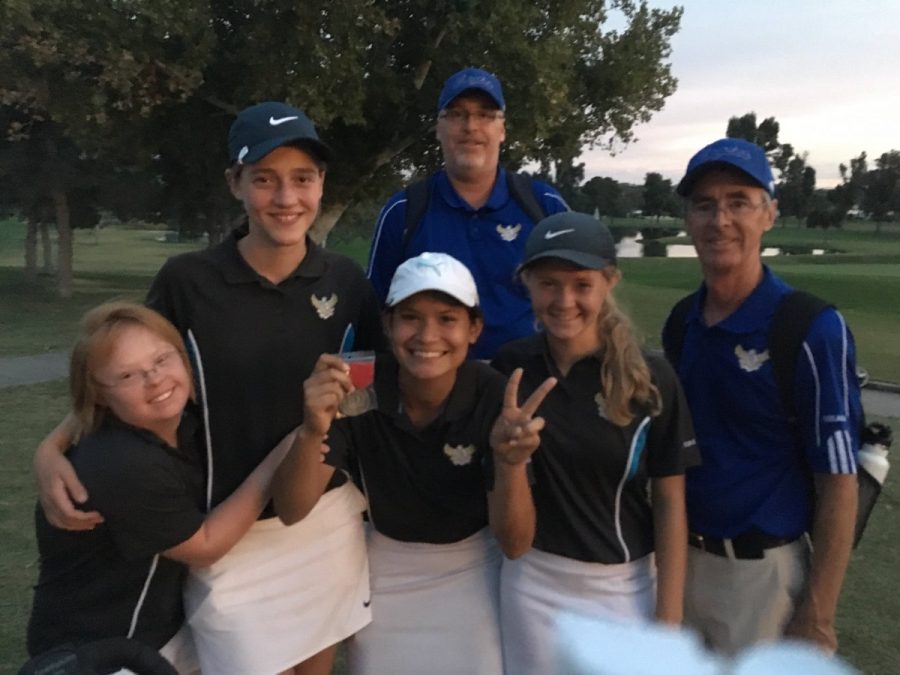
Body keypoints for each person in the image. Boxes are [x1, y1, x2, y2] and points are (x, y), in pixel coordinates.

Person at [33, 102, 386, 675]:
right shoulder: (187, 280)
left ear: (321, 184)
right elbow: (121, 371)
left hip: (322, 519)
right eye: (264, 180)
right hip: (226, 527)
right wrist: (51, 447)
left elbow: (363, 393)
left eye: (303, 179)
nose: (286, 198)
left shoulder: (346, 282)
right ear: (235, 184)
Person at [272, 252, 556, 675]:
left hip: (473, 569)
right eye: (410, 317)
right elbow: (292, 508)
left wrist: (511, 464)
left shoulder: (494, 396)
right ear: (387, 325)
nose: (427, 335)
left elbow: (515, 544)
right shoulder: (359, 382)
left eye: (447, 318)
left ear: (474, 328)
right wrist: (312, 429)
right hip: (385, 569)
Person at [662, 138, 862, 655]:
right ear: (688, 219)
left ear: (769, 214)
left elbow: (840, 481)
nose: (719, 219)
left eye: (738, 202)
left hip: (760, 578)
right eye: (704, 204)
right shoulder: (682, 322)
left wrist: (818, 613)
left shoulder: (810, 327)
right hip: (677, 565)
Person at [27, 302, 289, 673]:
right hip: (100, 652)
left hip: (159, 632)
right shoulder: (120, 463)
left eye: (162, 360)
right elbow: (205, 546)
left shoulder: (184, 423)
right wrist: (283, 456)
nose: (155, 380)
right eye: (128, 376)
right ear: (100, 394)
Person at [492, 212, 699, 675]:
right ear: (527, 284)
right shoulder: (512, 367)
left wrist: (669, 616)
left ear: (609, 283)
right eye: (548, 284)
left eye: (581, 284)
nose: (564, 300)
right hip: (532, 584)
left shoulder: (650, 379)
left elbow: (669, 500)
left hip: (623, 589)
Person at [367, 67, 569, 359]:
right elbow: (375, 311)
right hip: (432, 388)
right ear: (439, 128)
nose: (471, 126)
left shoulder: (544, 205)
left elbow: (581, 304)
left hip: (527, 385)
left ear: (502, 129)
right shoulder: (403, 211)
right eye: (457, 114)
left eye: (486, 114)